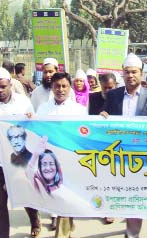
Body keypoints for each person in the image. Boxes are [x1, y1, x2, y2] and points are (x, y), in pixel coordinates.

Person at [100, 53, 147, 238]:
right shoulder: (112, 96)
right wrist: (102, 116)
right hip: (118, 156)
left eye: (134, 72)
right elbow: (104, 119)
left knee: (137, 196)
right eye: (126, 72)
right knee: (122, 194)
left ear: (141, 74)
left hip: (142, 157)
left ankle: (132, 234)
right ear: (122, 74)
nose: (130, 75)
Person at [0, 67, 40, 238]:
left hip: (20, 160)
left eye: (3, 87)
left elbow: (34, 126)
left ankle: (34, 220)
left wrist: (30, 119)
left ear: (10, 85)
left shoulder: (23, 102)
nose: (0, 90)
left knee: (25, 195)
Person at [36, 72, 87, 237]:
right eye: (57, 86)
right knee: (56, 197)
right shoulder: (43, 109)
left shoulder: (78, 110)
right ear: (52, 87)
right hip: (50, 162)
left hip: (71, 160)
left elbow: (84, 134)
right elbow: (37, 132)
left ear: (69, 87)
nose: (60, 89)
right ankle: (65, 229)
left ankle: (63, 232)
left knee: (66, 198)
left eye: (64, 86)